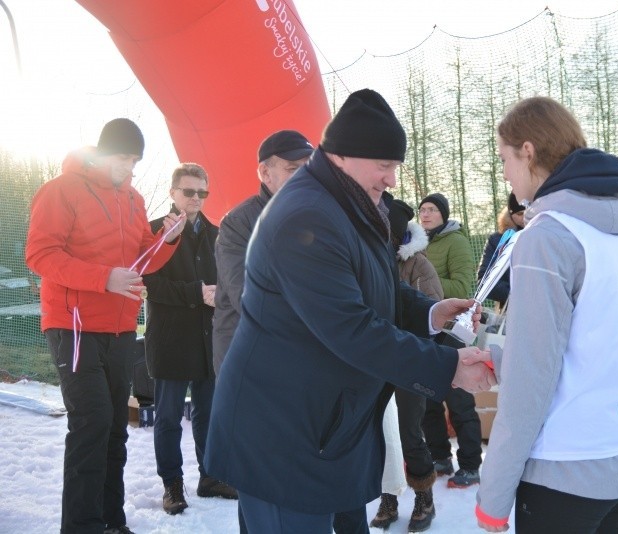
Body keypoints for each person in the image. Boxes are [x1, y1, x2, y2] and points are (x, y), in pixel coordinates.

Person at [204, 88, 495, 534]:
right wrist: (448, 367)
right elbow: (350, 327)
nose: (392, 180)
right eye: (385, 165)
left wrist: (432, 312)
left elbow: (375, 290)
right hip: (283, 434)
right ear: (344, 156)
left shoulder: (349, 204)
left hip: (320, 426)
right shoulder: (306, 216)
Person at [475, 96, 618, 533]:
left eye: (504, 159)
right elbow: (595, 345)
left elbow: (531, 380)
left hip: (564, 468)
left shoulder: (547, 236)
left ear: (528, 151)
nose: (504, 173)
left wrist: (493, 497)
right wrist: (502, 359)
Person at [25, 118, 186, 534]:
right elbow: (41, 255)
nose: (129, 168)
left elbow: (139, 263)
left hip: (119, 328)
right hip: (74, 325)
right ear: (101, 152)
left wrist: (164, 242)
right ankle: (81, 527)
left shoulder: (132, 199)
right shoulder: (60, 190)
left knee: (115, 428)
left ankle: (112, 522)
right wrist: (103, 278)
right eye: (122, 158)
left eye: (134, 160)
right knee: (92, 423)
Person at [142, 163, 237, 516]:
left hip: (209, 341)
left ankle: (210, 476)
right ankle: (171, 483)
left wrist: (221, 294)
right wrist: (195, 293)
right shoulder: (153, 232)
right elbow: (148, 283)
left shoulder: (217, 235)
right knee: (167, 417)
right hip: (170, 340)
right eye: (188, 191)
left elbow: (231, 281)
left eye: (202, 192)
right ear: (172, 193)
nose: (195, 198)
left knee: (209, 414)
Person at [213, 130, 314, 375]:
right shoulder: (238, 224)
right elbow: (249, 298)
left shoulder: (319, 218)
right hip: (249, 363)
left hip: (302, 361)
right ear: (266, 173)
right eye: (292, 169)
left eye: (308, 167)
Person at [370, 199, 444, 531]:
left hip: (410, 360)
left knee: (409, 432)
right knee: (382, 434)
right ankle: (388, 495)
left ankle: (424, 495)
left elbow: (432, 309)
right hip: (377, 361)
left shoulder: (418, 266)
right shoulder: (370, 261)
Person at [418, 192, 484, 489]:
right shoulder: (419, 243)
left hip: (453, 330)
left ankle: (470, 464)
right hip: (425, 328)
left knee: (459, 399)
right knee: (428, 398)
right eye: (422, 210)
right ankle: (440, 455)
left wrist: (421, 279)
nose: (426, 214)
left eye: (432, 209)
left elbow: (461, 285)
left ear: (444, 214)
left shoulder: (456, 241)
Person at [476, 193, 526, 308]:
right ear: (510, 215)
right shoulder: (497, 240)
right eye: (520, 214)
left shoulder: (543, 237)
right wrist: (516, 294)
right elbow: (485, 279)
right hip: (510, 309)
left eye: (529, 211)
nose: (525, 217)